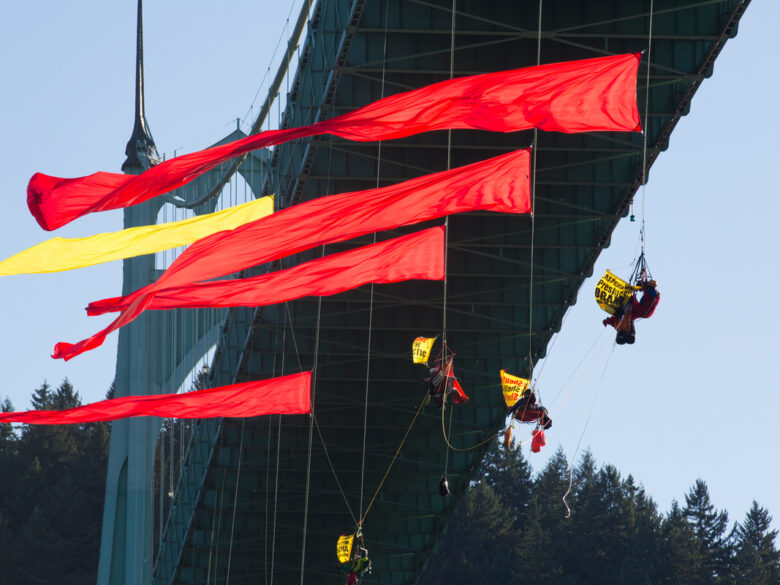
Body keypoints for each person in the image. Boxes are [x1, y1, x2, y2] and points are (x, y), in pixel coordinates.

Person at [602, 279, 659, 344]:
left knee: (627, 316)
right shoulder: (641, 309)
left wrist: (643, 285)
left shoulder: (652, 293)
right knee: (628, 316)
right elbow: (648, 293)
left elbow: (648, 293)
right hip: (640, 310)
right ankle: (626, 335)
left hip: (639, 309)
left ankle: (626, 335)